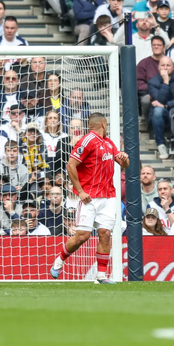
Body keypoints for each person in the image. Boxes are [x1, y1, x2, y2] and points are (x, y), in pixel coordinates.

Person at [49, 113, 129, 283]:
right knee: (82, 236)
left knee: (105, 233)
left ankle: (101, 276)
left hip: (109, 197)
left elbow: (123, 165)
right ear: (104, 124)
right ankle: (60, 260)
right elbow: (70, 165)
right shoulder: (86, 141)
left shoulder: (109, 143)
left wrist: (125, 159)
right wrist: (80, 191)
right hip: (90, 198)